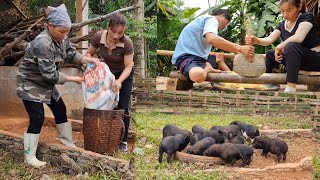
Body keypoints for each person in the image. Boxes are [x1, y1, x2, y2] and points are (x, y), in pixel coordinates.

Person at [16, 4, 100, 167]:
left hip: (45, 83)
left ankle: (67, 142)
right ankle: (29, 156)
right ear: (50, 26)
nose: (65, 35)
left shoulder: (62, 36)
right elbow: (50, 74)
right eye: (62, 31)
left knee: (60, 108)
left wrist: (86, 59)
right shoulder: (43, 43)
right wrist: (74, 79)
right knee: (37, 116)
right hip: (30, 83)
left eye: (67, 31)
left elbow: (70, 53)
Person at [246, 0, 320, 93]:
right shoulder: (282, 24)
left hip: (314, 58)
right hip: (295, 59)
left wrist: (279, 47)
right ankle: (267, 84)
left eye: (289, 10)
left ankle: (290, 88)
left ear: (299, 7)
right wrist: (257, 40)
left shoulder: (307, 17)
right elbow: (269, 39)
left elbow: (299, 37)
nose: (285, 14)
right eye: (282, 11)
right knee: (270, 54)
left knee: (291, 46)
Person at [85, 13, 134, 152]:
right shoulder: (98, 37)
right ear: (108, 28)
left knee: (122, 106)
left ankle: (123, 141)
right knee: (106, 104)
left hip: (123, 75)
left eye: (120, 33)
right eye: (114, 31)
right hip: (107, 74)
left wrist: (119, 81)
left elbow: (129, 66)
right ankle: (106, 136)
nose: (116, 36)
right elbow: (89, 54)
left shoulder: (127, 43)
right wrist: (92, 61)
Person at [172, 9, 255, 83]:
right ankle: (207, 68)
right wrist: (240, 48)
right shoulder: (212, 19)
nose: (223, 28)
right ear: (222, 16)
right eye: (225, 24)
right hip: (187, 58)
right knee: (198, 75)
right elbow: (212, 39)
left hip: (200, 58)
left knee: (218, 58)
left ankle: (234, 82)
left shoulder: (204, 21)